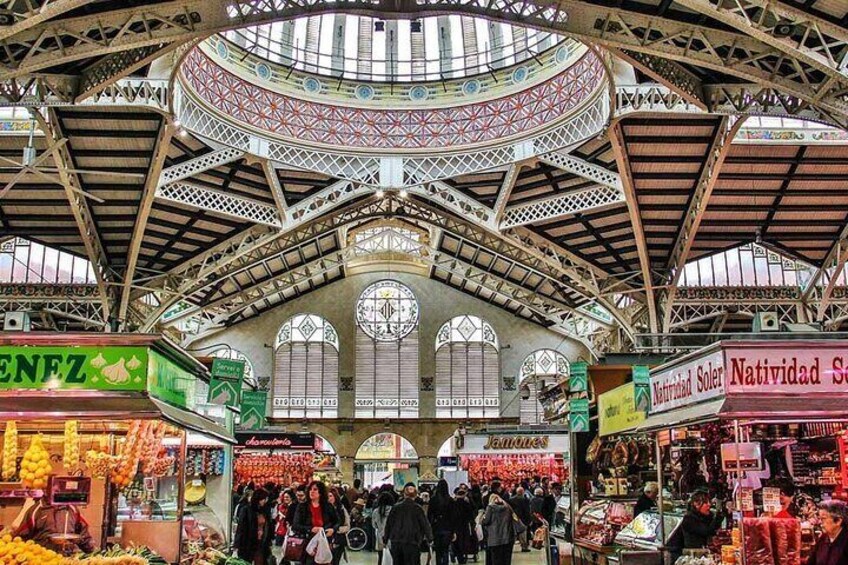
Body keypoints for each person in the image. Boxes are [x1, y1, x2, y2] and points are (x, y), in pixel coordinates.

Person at [15, 498, 95, 554]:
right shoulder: (35, 511)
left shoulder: (72, 509)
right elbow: (21, 538)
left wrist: (92, 551)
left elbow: (83, 534)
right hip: (42, 559)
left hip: (66, 559)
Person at [384, 483, 434, 565]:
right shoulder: (418, 508)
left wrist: (385, 539)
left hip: (396, 541)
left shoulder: (396, 508)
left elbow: (389, 524)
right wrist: (430, 539)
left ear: (404, 495)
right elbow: (425, 525)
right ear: (415, 496)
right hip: (412, 542)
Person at [292, 481, 339, 565]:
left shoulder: (328, 506)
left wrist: (333, 529)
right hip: (308, 544)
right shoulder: (302, 507)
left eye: (315, 489)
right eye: (310, 489)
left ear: (320, 493)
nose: (312, 491)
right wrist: (310, 529)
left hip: (324, 543)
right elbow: (295, 525)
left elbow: (337, 521)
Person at [669, 492, 725, 561]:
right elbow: (706, 531)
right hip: (693, 557)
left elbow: (713, 531)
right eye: (706, 503)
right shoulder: (689, 519)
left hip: (705, 554)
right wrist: (718, 517)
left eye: (709, 502)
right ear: (696, 504)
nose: (709, 505)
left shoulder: (707, 516)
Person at [233, 488, 272, 565]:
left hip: (261, 543)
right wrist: (236, 546)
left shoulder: (265, 511)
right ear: (258, 499)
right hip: (248, 543)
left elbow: (268, 526)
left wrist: (268, 541)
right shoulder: (246, 510)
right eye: (263, 499)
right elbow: (240, 528)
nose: (265, 501)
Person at [808, 500, 848, 565]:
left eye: (823, 518)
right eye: (819, 518)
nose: (819, 522)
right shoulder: (822, 539)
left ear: (838, 521)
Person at [481, 494, 514, 565]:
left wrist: (482, 518)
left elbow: (486, 521)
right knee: (505, 560)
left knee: (495, 559)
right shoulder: (507, 507)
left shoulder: (490, 508)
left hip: (494, 538)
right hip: (506, 537)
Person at [429, 480, 456, 565]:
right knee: (445, 550)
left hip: (436, 527)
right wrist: (454, 531)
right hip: (448, 528)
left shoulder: (433, 500)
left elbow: (429, 515)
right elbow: (453, 517)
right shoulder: (450, 500)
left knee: (438, 550)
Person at [452, 486, 477, 564]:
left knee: (455, 541)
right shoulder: (466, 504)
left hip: (455, 526)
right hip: (465, 525)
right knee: (463, 541)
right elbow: (471, 514)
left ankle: (454, 554)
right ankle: (463, 556)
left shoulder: (453, 503)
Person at [328, 488, 350, 565]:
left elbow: (347, 525)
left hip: (338, 540)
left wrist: (337, 529)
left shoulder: (341, 509)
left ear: (335, 497)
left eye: (331, 496)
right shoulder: (324, 509)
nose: (329, 498)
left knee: (335, 561)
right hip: (326, 539)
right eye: (327, 496)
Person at [372, 492, 395, 565]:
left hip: (380, 537)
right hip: (392, 537)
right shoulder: (394, 510)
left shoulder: (376, 511)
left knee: (381, 558)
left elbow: (374, 525)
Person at [509, 487, 532, 552]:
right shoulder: (525, 500)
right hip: (523, 519)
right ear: (522, 492)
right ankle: (524, 547)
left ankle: (510, 547)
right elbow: (527, 510)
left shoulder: (511, 499)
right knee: (523, 533)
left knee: (513, 533)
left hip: (514, 518)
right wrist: (529, 520)